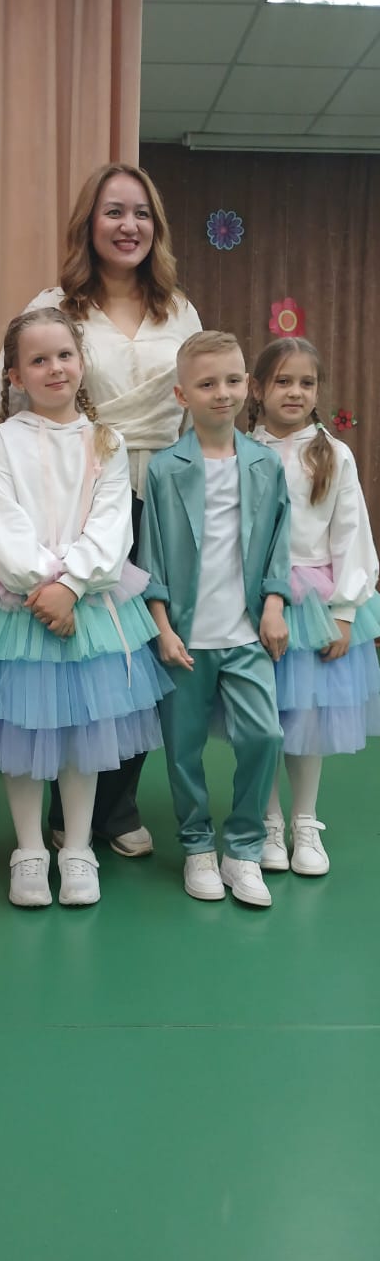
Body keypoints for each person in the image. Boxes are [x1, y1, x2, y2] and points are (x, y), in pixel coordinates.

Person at [0, 163, 202, 859]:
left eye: (141, 213)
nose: (129, 225)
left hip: (163, 494)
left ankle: (114, 809)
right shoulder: (57, 303)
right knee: (68, 653)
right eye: (113, 212)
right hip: (79, 495)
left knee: (141, 652)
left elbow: (194, 405)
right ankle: (58, 822)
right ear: (88, 225)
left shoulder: (179, 310)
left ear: (156, 226)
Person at [0, 307, 172, 908]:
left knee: (84, 734)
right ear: (15, 376)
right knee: (23, 734)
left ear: (81, 363)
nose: (54, 368)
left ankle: (77, 847)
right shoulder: (4, 440)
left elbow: (113, 524)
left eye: (64, 355)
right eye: (38, 359)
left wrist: (73, 585)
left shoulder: (106, 440)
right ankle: (30, 848)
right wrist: (44, 585)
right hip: (23, 609)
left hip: (90, 605)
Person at [138, 331, 292, 909]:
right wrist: (162, 628)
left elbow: (279, 543)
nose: (221, 393)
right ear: (183, 395)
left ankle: (244, 847)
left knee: (264, 734)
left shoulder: (265, 464)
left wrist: (273, 605)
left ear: (248, 385)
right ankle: (198, 846)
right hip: (184, 638)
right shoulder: (164, 469)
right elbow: (150, 556)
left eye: (231, 380)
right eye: (206, 384)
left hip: (247, 634)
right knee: (183, 748)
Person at [248, 337, 380, 876]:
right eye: (282, 381)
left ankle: (305, 819)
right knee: (262, 719)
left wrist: (344, 612)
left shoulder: (334, 454)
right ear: (257, 389)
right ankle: (268, 820)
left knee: (306, 717)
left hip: (315, 606)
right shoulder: (240, 452)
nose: (295, 392)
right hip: (254, 602)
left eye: (307, 382)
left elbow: (351, 533)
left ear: (318, 390)